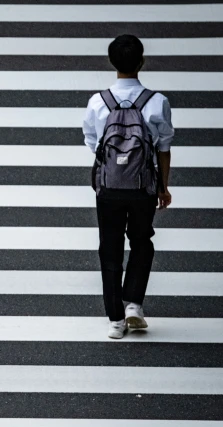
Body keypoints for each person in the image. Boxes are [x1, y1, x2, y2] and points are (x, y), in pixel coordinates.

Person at [83, 34, 174, 339]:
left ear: (112, 62)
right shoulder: (157, 102)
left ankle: (115, 320)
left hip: (108, 188)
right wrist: (163, 188)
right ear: (141, 62)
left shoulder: (98, 102)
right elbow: (163, 148)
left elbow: (93, 143)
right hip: (142, 187)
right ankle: (133, 302)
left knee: (109, 250)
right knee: (142, 241)